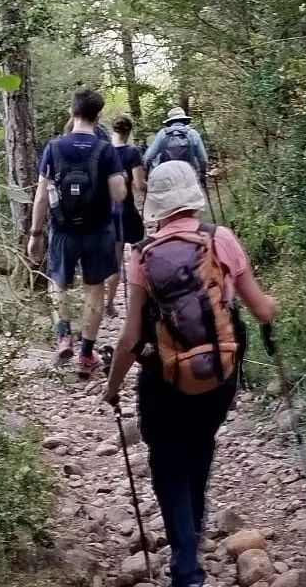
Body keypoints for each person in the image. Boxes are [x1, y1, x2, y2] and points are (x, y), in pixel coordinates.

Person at [100, 160, 279, 587]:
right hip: (218, 376)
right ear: (194, 196)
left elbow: (131, 336)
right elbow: (260, 311)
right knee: (199, 454)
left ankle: (186, 579)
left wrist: (113, 386)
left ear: (156, 205)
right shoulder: (222, 239)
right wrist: (273, 304)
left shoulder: (142, 254)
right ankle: (190, 556)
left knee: (167, 467)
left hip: (164, 378)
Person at [29, 88, 127, 377]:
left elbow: (41, 197)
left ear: (71, 112)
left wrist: (35, 235)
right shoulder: (105, 149)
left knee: (57, 284)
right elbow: (119, 194)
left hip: (62, 231)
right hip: (98, 231)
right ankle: (86, 355)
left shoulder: (54, 148)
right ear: (98, 117)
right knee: (94, 289)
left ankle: (62, 337)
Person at [105, 114, 147, 319]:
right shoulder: (132, 152)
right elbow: (140, 185)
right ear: (129, 132)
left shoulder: (103, 151)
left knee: (115, 259)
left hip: (107, 213)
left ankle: (109, 304)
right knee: (142, 253)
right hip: (128, 211)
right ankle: (143, 297)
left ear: (112, 130)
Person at [143, 106, 209, 178]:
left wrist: (146, 172)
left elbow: (149, 157)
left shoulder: (162, 133)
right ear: (184, 120)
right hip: (189, 174)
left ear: (169, 121)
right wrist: (202, 173)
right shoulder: (193, 133)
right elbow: (203, 159)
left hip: (167, 175)